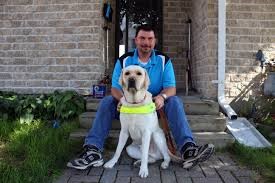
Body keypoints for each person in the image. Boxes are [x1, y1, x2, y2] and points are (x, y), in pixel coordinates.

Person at [67, 24, 214, 170]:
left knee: (174, 101)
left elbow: (171, 88)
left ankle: (188, 150)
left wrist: (162, 97)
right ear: (136, 40)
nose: (146, 42)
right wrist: (121, 100)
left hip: (154, 108)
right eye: (142, 38)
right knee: (106, 102)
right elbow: (115, 88)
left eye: (150, 39)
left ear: (154, 41)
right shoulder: (124, 60)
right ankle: (92, 150)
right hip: (129, 107)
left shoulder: (164, 60)